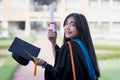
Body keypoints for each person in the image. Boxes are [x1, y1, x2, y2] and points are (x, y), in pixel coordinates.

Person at [35, 13, 100, 80]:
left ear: (80, 27)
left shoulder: (69, 46)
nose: (67, 28)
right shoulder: (83, 46)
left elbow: (59, 76)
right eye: (66, 24)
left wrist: (44, 64)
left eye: (72, 25)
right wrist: (53, 42)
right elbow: (62, 61)